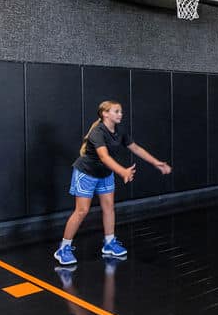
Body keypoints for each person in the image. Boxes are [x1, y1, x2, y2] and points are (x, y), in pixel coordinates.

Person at [53, 100, 172, 266]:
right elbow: (104, 157)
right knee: (82, 211)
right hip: (86, 173)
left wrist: (156, 162)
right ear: (105, 114)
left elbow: (136, 148)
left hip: (105, 174)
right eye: (116, 111)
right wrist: (122, 171)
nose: (120, 114)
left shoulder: (119, 131)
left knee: (109, 207)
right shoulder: (97, 132)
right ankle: (63, 249)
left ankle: (109, 243)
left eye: (121, 111)